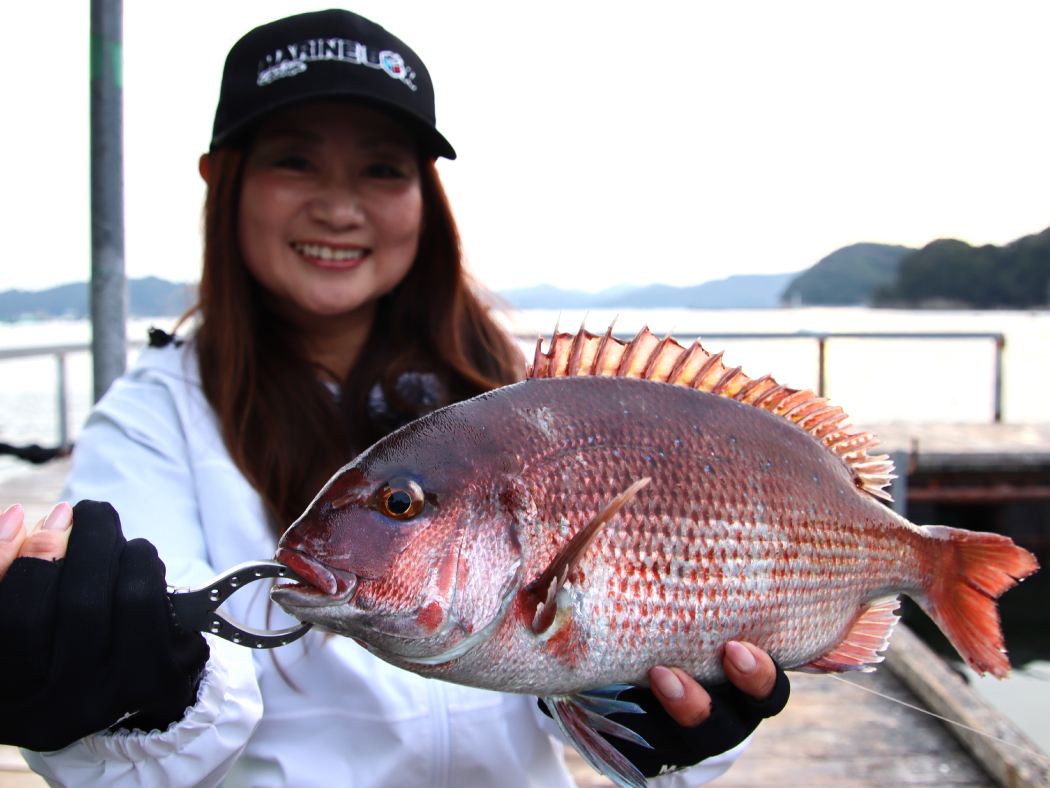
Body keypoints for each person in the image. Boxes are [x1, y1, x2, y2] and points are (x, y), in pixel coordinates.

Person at [0, 9, 788, 787]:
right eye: (294, 162)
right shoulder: (148, 425)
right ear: (222, 179)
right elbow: (153, 750)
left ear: (425, 193)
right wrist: (118, 697)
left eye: (382, 168)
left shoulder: (529, 392)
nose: (340, 208)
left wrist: (677, 728)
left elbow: (611, 683)